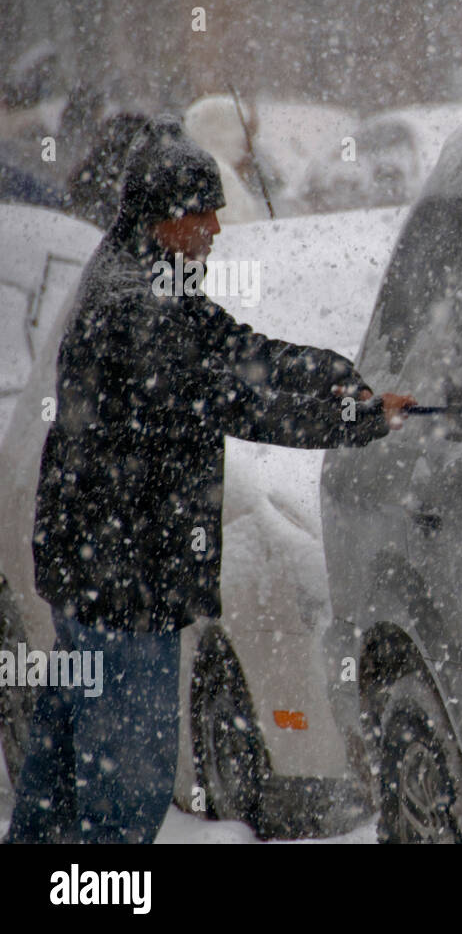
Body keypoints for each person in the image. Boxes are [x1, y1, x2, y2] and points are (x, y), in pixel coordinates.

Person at [4, 115, 415, 843]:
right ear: (168, 220)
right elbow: (231, 399)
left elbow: (237, 347)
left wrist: (334, 376)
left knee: (62, 785)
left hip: (99, 577)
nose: (219, 227)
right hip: (124, 585)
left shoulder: (143, 274)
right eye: (206, 210)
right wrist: (357, 423)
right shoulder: (135, 308)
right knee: (125, 790)